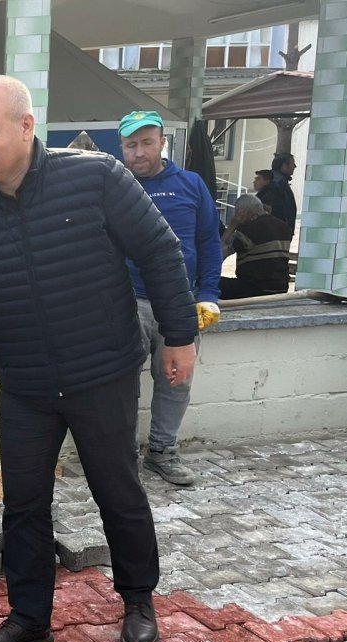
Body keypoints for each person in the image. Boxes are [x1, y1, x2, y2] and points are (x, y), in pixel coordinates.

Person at [0, 76, 197, 642]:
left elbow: (160, 251)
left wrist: (180, 337)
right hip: (28, 385)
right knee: (24, 504)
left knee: (119, 492)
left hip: (103, 371)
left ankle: (138, 600)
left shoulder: (95, 177)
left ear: (26, 126)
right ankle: (30, 619)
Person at [118, 110, 222, 487]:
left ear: (162, 142)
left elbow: (209, 242)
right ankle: (120, 454)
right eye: (131, 145)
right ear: (122, 148)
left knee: (175, 380)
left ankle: (162, 451)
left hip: (181, 304)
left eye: (147, 142)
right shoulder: (113, 186)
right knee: (119, 382)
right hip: (127, 302)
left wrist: (209, 295)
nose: (139, 152)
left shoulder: (191, 185)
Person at [220, 194, 292, 299]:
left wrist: (233, 225)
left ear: (244, 212)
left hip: (256, 288)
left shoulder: (251, 228)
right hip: (280, 287)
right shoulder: (282, 226)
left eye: (236, 212)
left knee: (208, 284)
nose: (235, 215)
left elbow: (220, 253)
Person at [257, 152, 297, 236]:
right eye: (292, 163)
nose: (295, 166)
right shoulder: (277, 184)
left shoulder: (278, 182)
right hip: (275, 234)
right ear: (284, 165)